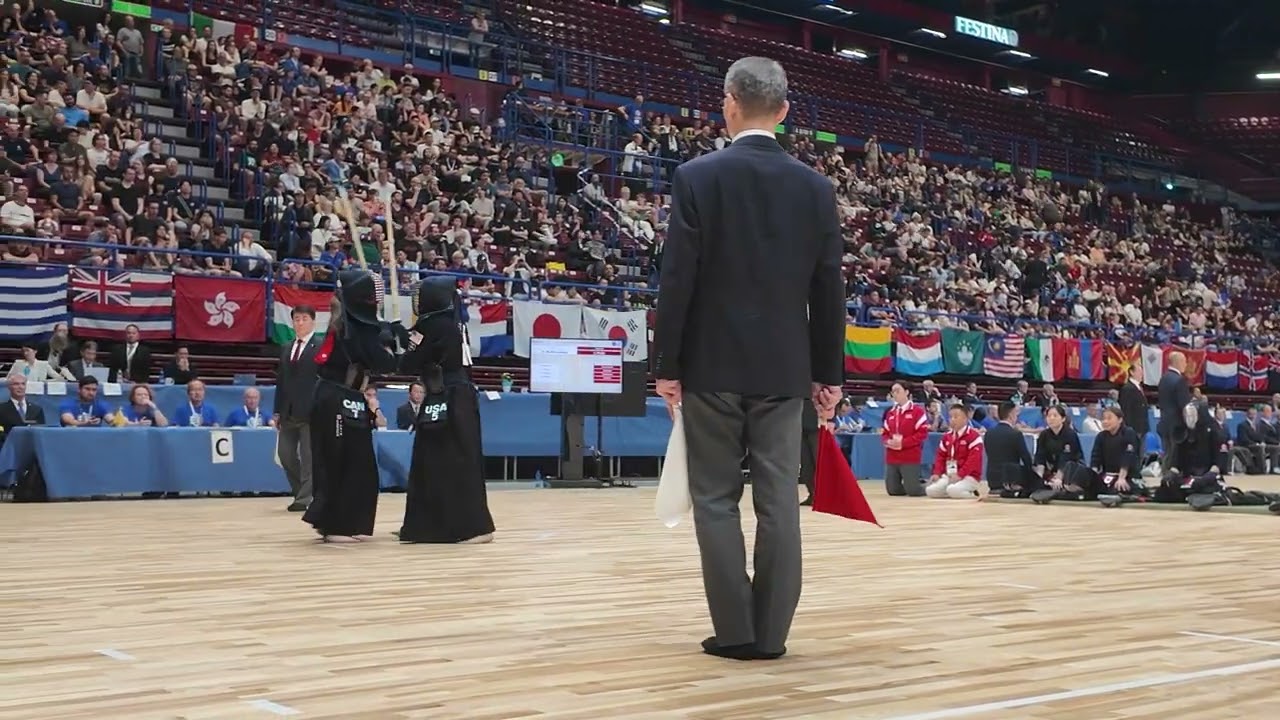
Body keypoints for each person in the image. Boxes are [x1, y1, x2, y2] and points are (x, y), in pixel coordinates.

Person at [651, 57, 845, 661]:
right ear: (783, 111)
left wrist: (666, 366)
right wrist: (828, 374)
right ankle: (773, 635)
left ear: (728, 103)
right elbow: (829, 288)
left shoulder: (696, 177)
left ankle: (735, 631)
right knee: (780, 501)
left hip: (710, 366)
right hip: (784, 371)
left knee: (714, 500)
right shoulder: (816, 188)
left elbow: (677, 279)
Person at [301, 270, 403, 543]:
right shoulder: (354, 329)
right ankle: (337, 524)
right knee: (345, 463)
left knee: (351, 462)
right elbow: (385, 363)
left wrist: (383, 333)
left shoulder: (346, 324)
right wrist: (392, 341)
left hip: (337, 397)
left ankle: (345, 521)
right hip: (339, 399)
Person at [396, 276, 495, 544]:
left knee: (435, 462)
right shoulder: (455, 323)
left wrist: (400, 338)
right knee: (463, 459)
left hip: (444, 397)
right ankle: (469, 525)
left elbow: (408, 364)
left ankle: (452, 527)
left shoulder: (431, 325)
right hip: (462, 397)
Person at [274, 305, 320, 512]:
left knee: (309, 458)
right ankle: (301, 491)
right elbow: (281, 381)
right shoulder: (286, 347)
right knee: (285, 455)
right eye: (297, 319)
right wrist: (277, 410)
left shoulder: (320, 347)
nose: (300, 323)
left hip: (311, 411)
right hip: (288, 411)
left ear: (313, 321)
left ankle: (304, 499)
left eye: (304, 319)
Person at [924, 404, 986, 499]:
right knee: (930, 491)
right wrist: (937, 473)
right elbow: (940, 456)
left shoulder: (974, 437)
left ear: (965, 419)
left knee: (953, 490)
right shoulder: (947, 437)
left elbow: (973, 461)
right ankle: (953, 491)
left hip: (969, 476)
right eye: (950, 417)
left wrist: (960, 475)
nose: (952, 419)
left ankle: (973, 494)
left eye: (956, 417)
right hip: (950, 475)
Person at [1028, 404, 1086, 503]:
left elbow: (1066, 457)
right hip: (1052, 468)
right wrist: (1038, 477)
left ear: (1063, 419)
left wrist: (1059, 477)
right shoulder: (1044, 435)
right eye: (1049, 416)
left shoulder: (1070, 434)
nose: (1051, 418)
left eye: (1055, 416)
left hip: (1071, 469)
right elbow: (1040, 456)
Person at [881, 382, 929, 496]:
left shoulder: (917, 411)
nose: (894, 394)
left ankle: (931, 487)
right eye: (893, 391)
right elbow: (885, 433)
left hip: (909, 456)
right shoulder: (890, 412)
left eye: (898, 391)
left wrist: (903, 443)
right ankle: (909, 485)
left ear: (907, 392)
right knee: (893, 490)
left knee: (913, 490)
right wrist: (887, 441)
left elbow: (922, 434)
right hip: (892, 456)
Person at [1089, 406, 1143, 504]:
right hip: (1108, 475)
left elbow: (1128, 457)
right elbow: (1095, 458)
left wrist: (1121, 478)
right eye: (1103, 419)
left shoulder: (1128, 433)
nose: (1105, 421)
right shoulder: (1101, 436)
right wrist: (1093, 477)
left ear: (1120, 420)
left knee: (1120, 487)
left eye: (1109, 418)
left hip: (1128, 476)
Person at [983, 401, 1035, 498]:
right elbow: (1026, 458)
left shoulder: (988, 433)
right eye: (1016, 413)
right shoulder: (1015, 434)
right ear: (1011, 415)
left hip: (992, 479)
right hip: (1010, 481)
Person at [1157, 351, 1192, 472]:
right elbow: (1184, 406)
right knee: (1175, 457)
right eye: (1184, 361)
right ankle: (1170, 479)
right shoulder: (1179, 380)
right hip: (1177, 426)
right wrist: (1190, 424)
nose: (1186, 364)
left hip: (1164, 422)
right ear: (1179, 362)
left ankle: (1165, 477)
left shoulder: (1163, 378)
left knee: (1167, 454)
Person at [798, 398, 818, 506]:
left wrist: (831, 420)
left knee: (820, 463)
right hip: (799, 426)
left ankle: (826, 495)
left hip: (818, 425)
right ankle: (813, 494)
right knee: (806, 465)